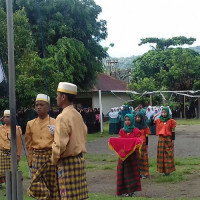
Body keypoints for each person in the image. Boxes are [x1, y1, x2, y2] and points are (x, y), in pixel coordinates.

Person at [51, 82, 88, 200]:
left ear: (63, 97)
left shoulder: (62, 117)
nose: (56, 98)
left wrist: (53, 159)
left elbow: (60, 144)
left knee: (67, 197)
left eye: (57, 95)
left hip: (67, 163)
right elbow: (84, 132)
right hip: (79, 161)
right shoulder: (78, 115)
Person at [25, 94, 60, 199]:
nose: (38, 107)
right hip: (36, 158)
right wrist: (30, 161)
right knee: (36, 185)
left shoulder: (55, 122)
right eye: (37, 105)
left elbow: (59, 142)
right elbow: (28, 144)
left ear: (48, 107)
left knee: (52, 185)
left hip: (51, 158)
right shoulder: (30, 124)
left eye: (42, 105)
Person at [116, 114, 142, 197]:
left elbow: (138, 142)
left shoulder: (136, 131)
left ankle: (131, 191)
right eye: (126, 120)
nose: (127, 121)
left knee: (132, 173)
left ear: (132, 120)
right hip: (123, 156)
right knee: (122, 172)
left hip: (132, 155)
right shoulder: (121, 131)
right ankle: (122, 191)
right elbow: (120, 142)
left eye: (129, 120)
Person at [0, 110, 22, 187]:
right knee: (3, 173)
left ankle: (12, 189)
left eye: (8, 117)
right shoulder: (1, 128)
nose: (5, 118)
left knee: (12, 173)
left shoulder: (17, 129)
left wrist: (18, 155)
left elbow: (19, 143)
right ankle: (8, 188)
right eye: (4, 117)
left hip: (11, 154)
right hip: (2, 154)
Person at [153, 107, 176, 176]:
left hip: (168, 139)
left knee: (168, 154)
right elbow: (151, 123)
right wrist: (153, 117)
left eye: (165, 112)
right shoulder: (158, 120)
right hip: (161, 139)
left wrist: (173, 140)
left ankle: (168, 171)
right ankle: (163, 171)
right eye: (162, 112)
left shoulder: (172, 121)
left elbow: (173, 131)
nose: (164, 114)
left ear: (167, 113)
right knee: (161, 155)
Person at [135, 111, 151, 178]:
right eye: (136, 117)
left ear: (142, 118)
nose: (138, 118)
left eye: (139, 117)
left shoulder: (145, 126)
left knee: (143, 158)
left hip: (143, 144)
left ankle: (144, 173)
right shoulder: (133, 126)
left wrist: (147, 144)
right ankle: (137, 173)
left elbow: (147, 136)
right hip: (135, 144)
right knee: (136, 159)